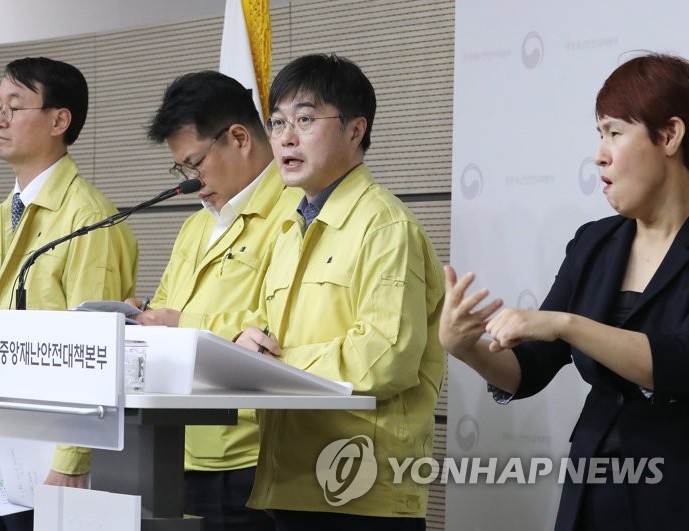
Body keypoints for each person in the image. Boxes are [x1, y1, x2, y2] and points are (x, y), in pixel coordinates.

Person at [439, 53, 689, 531]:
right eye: (599, 134)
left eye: (615, 132)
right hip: (592, 487)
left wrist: (566, 324)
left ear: (670, 136)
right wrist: (466, 346)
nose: (599, 154)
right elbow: (530, 368)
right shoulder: (594, 243)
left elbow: (678, 362)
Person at [235, 54, 445, 530]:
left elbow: (385, 356)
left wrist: (271, 366)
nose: (286, 137)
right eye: (278, 122)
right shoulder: (289, 229)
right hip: (292, 481)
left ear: (355, 130)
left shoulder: (386, 226)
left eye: (305, 120)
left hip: (361, 490)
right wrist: (244, 346)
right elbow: (265, 331)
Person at [0, 57, 137, 531]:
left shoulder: (89, 218)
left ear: (59, 120)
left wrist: (73, 458)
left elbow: (97, 350)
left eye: (14, 107)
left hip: (52, 457)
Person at [129, 70, 300, 531]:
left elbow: (281, 331)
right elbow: (168, 308)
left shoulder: (296, 213)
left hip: (247, 456)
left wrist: (182, 323)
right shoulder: (196, 225)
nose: (190, 182)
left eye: (195, 164)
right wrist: (141, 319)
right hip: (175, 446)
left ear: (239, 138)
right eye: (181, 170)